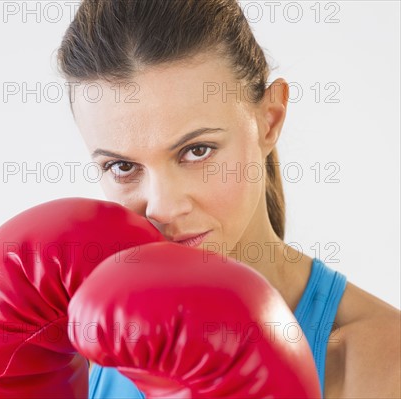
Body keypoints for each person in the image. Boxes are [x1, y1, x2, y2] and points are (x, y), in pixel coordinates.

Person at [56, 0, 401, 398]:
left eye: (197, 150)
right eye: (122, 166)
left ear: (269, 119)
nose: (162, 208)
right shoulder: (71, 347)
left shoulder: (380, 364)